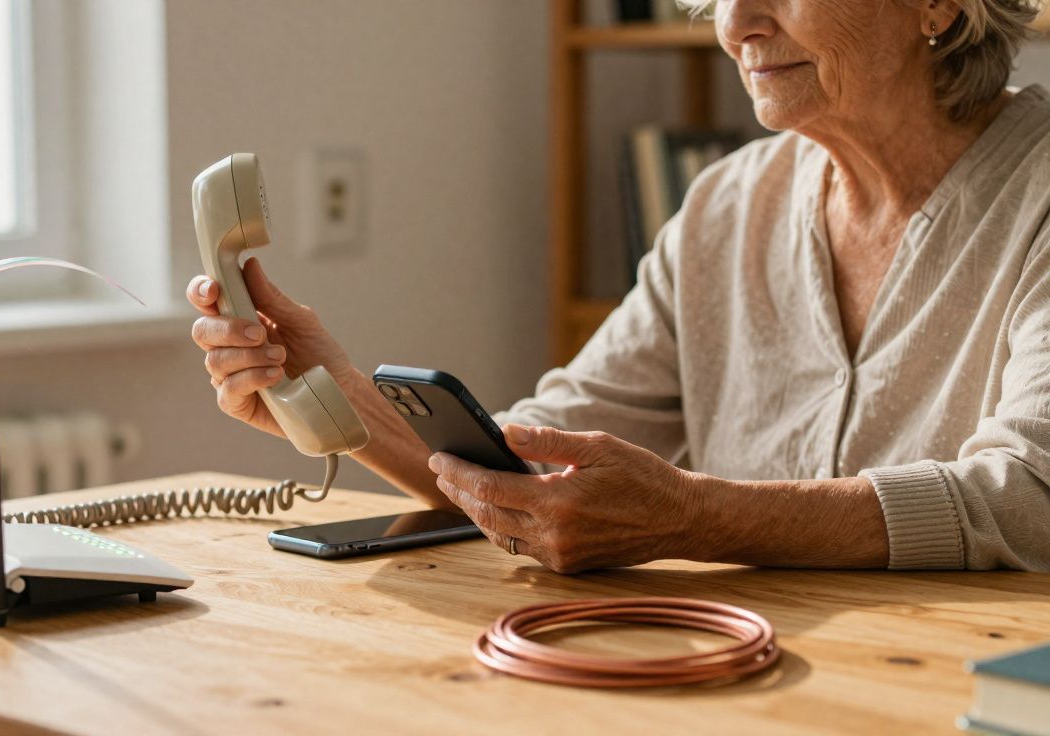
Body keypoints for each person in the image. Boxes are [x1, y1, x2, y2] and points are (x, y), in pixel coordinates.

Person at [188, 0, 1050, 573]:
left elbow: (1027, 500)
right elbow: (538, 466)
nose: (737, 24)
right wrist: (335, 396)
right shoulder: (725, 207)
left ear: (939, 3)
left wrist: (695, 516)